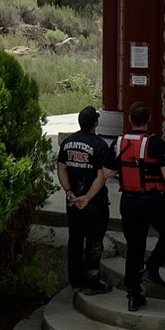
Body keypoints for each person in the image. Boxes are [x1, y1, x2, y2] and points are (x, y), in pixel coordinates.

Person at [110, 101, 165, 312]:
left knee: (134, 246)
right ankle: (153, 265)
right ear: (149, 120)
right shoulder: (156, 143)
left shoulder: (118, 142)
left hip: (129, 201)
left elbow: (107, 172)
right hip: (153, 200)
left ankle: (134, 293)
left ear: (130, 119)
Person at [56, 105, 113, 295]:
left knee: (75, 239)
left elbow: (61, 168)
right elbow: (101, 176)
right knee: (94, 241)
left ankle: (76, 281)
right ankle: (93, 282)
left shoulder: (68, 142)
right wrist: (87, 197)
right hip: (94, 202)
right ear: (95, 123)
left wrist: (69, 192)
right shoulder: (99, 145)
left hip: (73, 201)